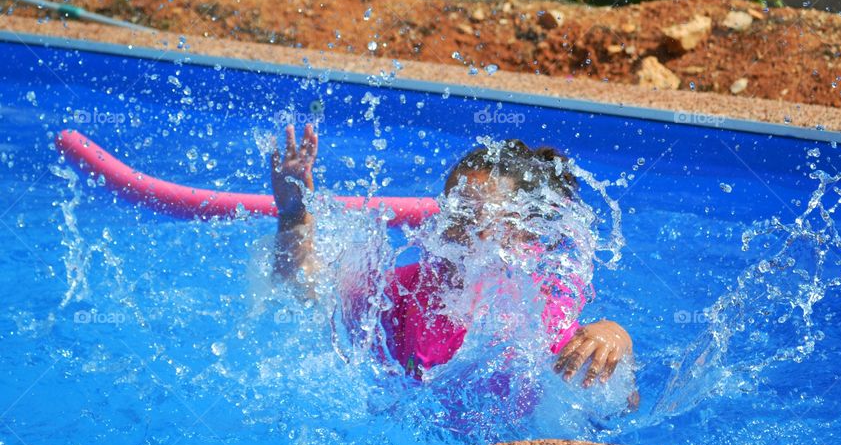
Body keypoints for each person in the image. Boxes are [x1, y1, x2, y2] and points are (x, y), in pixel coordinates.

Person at [271, 124, 636, 399]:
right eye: (451, 212)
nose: (453, 229)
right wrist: (292, 213)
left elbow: (619, 404)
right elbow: (307, 287)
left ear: (524, 232)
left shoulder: (535, 316)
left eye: (472, 217)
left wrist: (617, 338)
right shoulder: (410, 290)